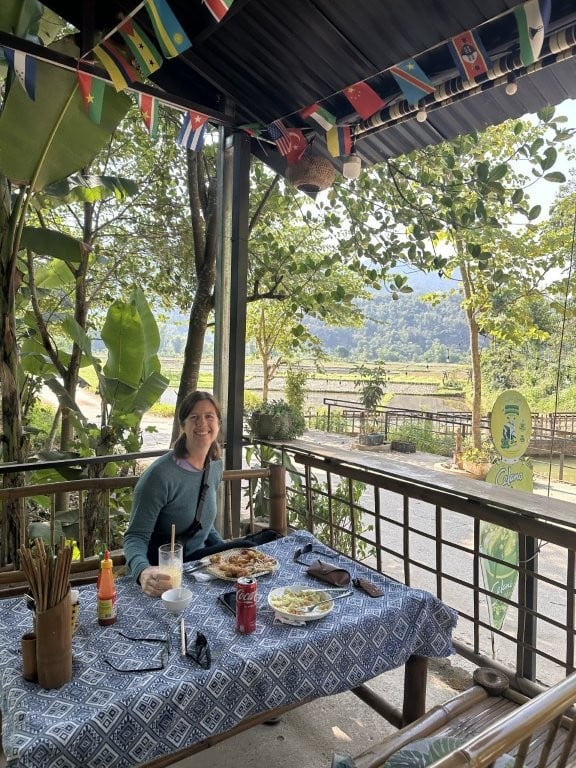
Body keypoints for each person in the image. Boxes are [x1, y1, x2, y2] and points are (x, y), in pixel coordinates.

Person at [124, 390, 225, 597]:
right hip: (161, 575)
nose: (202, 424)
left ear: (218, 424)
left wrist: (226, 551)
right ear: (183, 425)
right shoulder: (160, 475)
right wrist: (143, 572)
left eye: (209, 416)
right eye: (194, 417)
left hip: (196, 566)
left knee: (249, 550)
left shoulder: (215, 466)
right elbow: (135, 536)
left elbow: (202, 522)